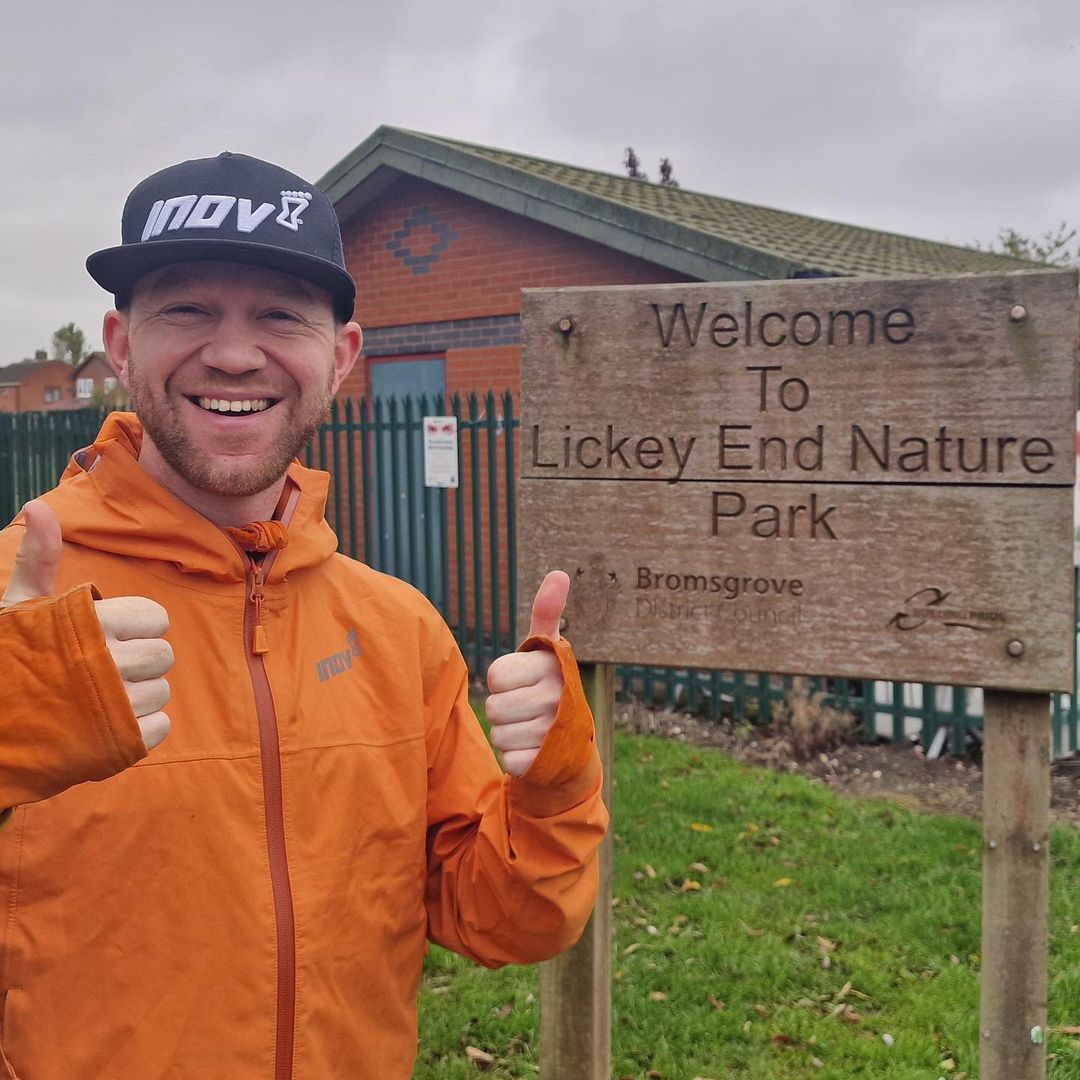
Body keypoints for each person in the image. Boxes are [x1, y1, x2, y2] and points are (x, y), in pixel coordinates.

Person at [0, 152, 606, 1078]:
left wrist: (555, 793)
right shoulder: (15, 616)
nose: (234, 353)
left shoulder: (397, 629)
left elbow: (504, 920)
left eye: (280, 315)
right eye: (187, 309)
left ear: (342, 356)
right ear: (120, 346)